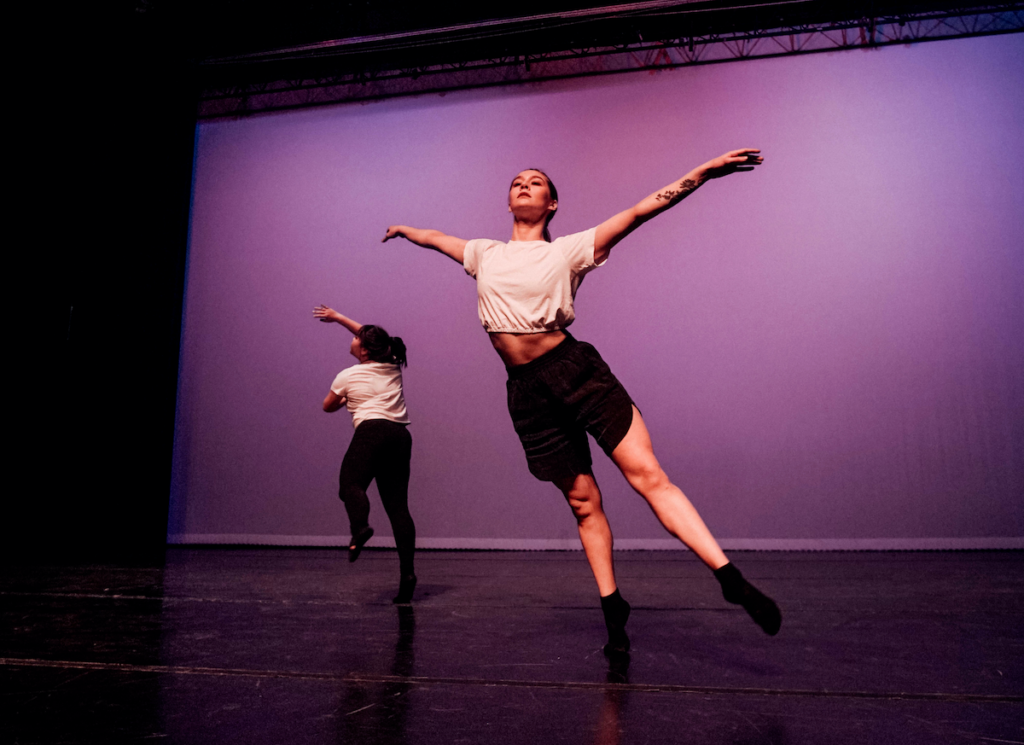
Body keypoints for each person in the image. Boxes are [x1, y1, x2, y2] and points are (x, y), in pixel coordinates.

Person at [382, 149, 781, 653]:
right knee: (582, 502)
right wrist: (404, 229)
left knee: (647, 477)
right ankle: (614, 607)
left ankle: (729, 577)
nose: (524, 185)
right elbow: (437, 239)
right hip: (527, 393)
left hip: (578, 374)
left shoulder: (568, 250)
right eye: (516, 182)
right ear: (510, 201)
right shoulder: (484, 253)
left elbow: (641, 211)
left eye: (536, 182)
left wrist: (701, 173)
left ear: (552, 204)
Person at [315, 304, 417, 604]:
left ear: (363, 349)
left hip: (371, 433)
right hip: (399, 437)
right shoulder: (393, 364)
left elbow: (327, 406)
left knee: (350, 486)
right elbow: (373, 338)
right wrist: (338, 318)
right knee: (399, 509)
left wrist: (344, 398)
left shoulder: (346, 376)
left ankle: (360, 528)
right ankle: (408, 575)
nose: (354, 337)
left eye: (357, 337)